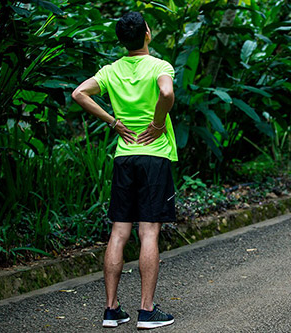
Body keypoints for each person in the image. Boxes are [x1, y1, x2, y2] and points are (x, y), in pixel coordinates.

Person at [72, 11, 177, 330]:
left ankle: (111, 309)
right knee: (148, 231)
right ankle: (146, 311)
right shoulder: (160, 66)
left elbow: (79, 93)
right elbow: (167, 92)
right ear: (147, 32)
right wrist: (158, 123)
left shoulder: (111, 70)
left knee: (119, 231)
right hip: (154, 156)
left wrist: (113, 122)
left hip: (125, 157)